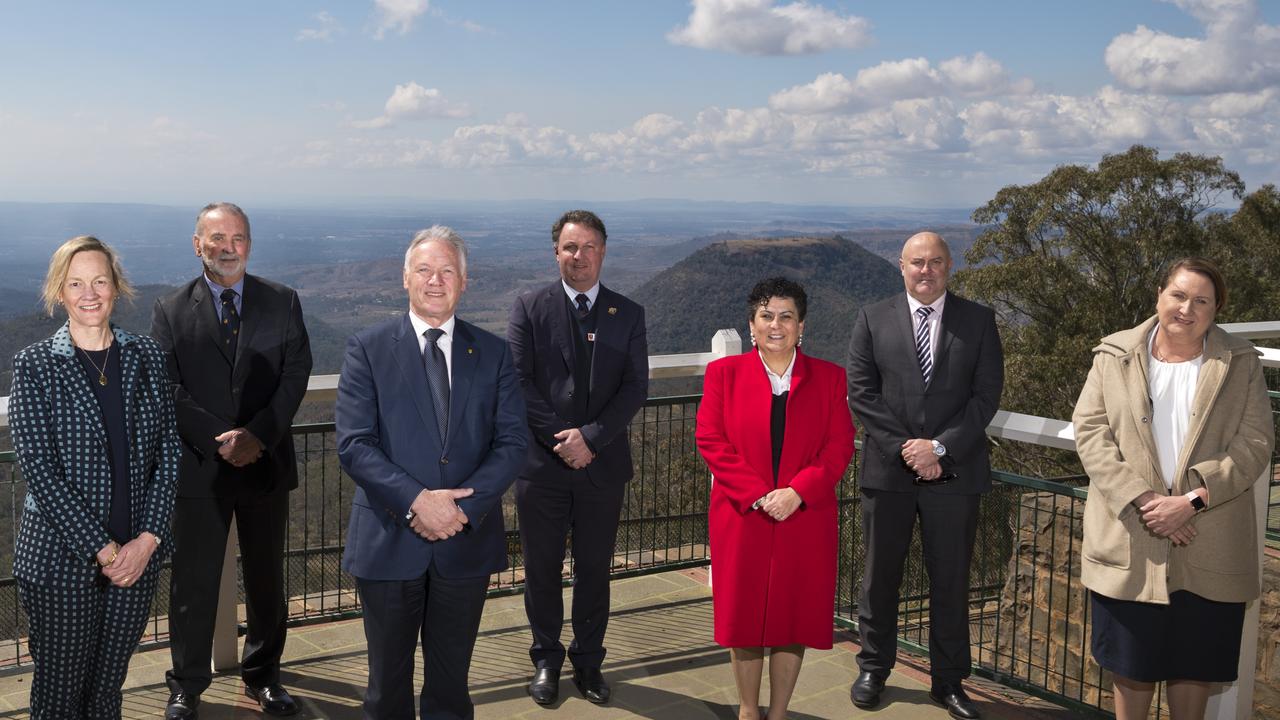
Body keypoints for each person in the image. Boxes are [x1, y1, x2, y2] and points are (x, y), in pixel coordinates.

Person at [337, 226, 527, 720]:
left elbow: (511, 443)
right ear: (405, 278)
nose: (435, 280)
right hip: (388, 542)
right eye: (424, 270)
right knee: (386, 689)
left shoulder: (494, 352)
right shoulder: (368, 349)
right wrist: (420, 501)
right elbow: (354, 445)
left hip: (465, 546)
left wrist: (457, 511)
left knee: (450, 686)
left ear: (465, 282)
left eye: (447, 271)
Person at [1073, 257, 1273, 720]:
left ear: (1216, 308)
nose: (1187, 308)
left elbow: (1256, 442)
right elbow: (1091, 432)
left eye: (1201, 300)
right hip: (1131, 536)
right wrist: (1147, 503)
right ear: (1160, 296)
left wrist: (1192, 501)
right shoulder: (1113, 356)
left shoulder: (1240, 363)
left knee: (1194, 665)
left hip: (1211, 537)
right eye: (1178, 295)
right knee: (1132, 667)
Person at [151, 203, 312, 718]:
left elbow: (295, 374)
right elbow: (166, 387)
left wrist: (257, 436)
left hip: (264, 465)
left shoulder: (282, 302)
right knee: (192, 584)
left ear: (249, 244)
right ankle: (186, 685)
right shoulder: (170, 309)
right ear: (196, 244)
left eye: (238, 237)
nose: (228, 246)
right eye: (216, 237)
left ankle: (263, 677)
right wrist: (220, 438)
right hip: (201, 470)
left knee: (268, 581)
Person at [9, 236, 181, 718]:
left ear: (116, 287)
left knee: (107, 693)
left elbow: (168, 453)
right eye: (76, 283)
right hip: (60, 565)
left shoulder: (145, 356)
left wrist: (145, 542)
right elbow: (40, 472)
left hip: (137, 562)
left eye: (100, 281)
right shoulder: (35, 366)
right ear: (58, 292)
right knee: (60, 699)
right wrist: (107, 552)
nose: (90, 293)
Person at [846, 231, 1003, 719]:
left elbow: (986, 395)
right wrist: (908, 450)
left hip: (955, 475)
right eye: (917, 262)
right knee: (879, 579)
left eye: (936, 261)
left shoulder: (979, 321)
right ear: (901, 266)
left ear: (949, 266)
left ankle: (949, 681)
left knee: (951, 581)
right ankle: (873, 667)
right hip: (888, 474)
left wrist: (939, 447)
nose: (926, 270)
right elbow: (862, 392)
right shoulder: (872, 318)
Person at [696, 277, 855, 720]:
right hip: (742, 517)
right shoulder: (722, 375)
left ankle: (780, 712)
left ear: (802, 325)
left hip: (804, 518)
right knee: (744, 619)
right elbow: (711, 439)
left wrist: (797, 493)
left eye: (787, 316)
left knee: (792, 618)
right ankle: (748, 710)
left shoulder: (829, 378)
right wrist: (759, 495)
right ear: (752, 325)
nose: (776, 325)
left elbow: (839, 446)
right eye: (767, 316)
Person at [507, 209, 648, 706]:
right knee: (541, 570)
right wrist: (562, 440)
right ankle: (545, 660)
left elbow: (635, 387)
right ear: (556, 253)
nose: (579, 256)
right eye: (570, 247)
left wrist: (591, 439)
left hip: (602, 466)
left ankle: (588, 663)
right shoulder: (529, 306)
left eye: (588, 246)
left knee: (594, 570)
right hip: (541, 469)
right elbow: (518, 382)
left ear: (603, 251)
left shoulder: (627, 313)